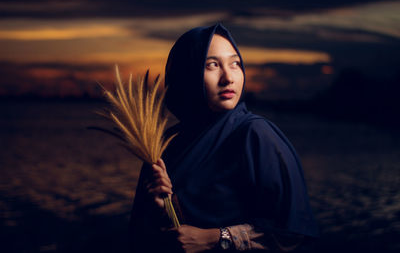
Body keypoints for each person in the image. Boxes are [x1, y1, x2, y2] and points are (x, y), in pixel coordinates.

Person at [129, 23, 318, 252]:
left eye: (235, 64)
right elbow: (145, 238)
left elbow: (292, 232)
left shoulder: (255, 134)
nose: (228, 77)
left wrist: (216, 237)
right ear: (187, 73)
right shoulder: (163, 144)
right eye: (212, 65)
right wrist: (160, 207)